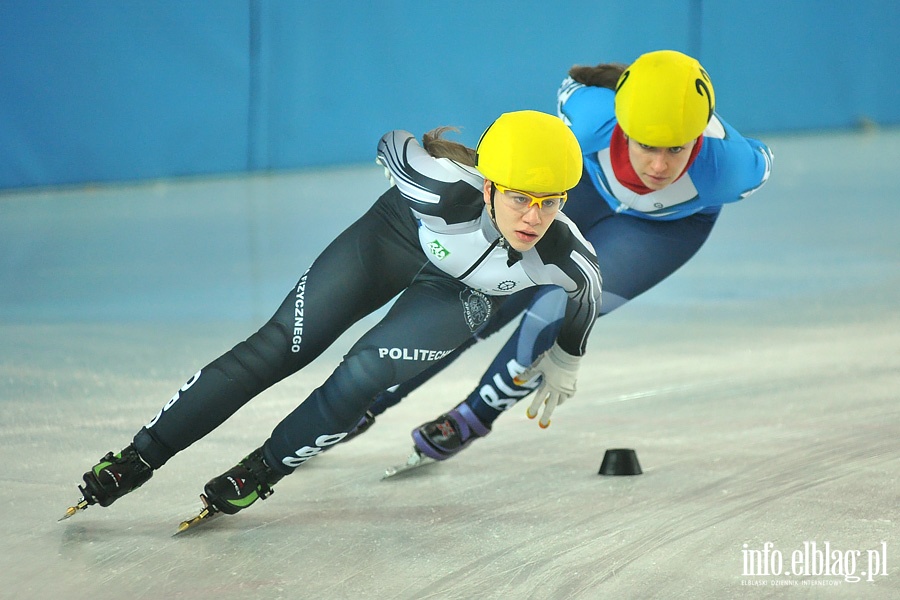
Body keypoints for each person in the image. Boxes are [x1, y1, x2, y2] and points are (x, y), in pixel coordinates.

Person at [63, 109, 601, 523]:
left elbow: (586, 299)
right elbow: (394, 143)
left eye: (550, 202)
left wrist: (566, 358)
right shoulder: (436, 185)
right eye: (519, 198)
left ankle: (262, 469)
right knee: (279, 345)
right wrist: (403, 165)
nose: (533, 217)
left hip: (465, 292)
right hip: (396, 238)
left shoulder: (565, 254)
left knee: (366, 370)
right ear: (486, 185)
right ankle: (142, 455)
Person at [351, 49, 774, 462]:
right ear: (623, 124)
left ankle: (473, 416)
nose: (659, 167)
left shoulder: (731, 168)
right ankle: (368, 399)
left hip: (665, 227)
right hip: (585, 185)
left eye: (677, 149)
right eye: (647, 145)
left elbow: (763, 157)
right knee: (487, 292)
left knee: (560, 305)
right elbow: (571, 87)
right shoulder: (590, 115)